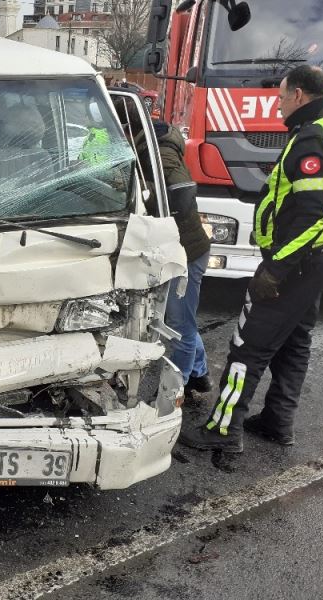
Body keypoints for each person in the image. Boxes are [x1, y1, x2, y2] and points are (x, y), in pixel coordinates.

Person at [179, 65, 323, 452]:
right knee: (294, 341)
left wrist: (276, 268)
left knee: (247, 344)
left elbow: (313, 215)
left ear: (300, 96)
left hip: (297, 262)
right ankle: (277, 421)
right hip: (316, 259)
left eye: (282, 96)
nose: (278, 104)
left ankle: (223, 431)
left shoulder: (315, 138)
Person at [115, 97, 213, 397]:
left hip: (185, 249)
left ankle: (175, 390)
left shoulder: (159, 150)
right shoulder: (149, 144)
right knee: (183, 317)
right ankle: (200, 372)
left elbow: (181, 192)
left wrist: (160, 221)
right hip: (178, 246)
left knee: (178, 323)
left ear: (126, 127)